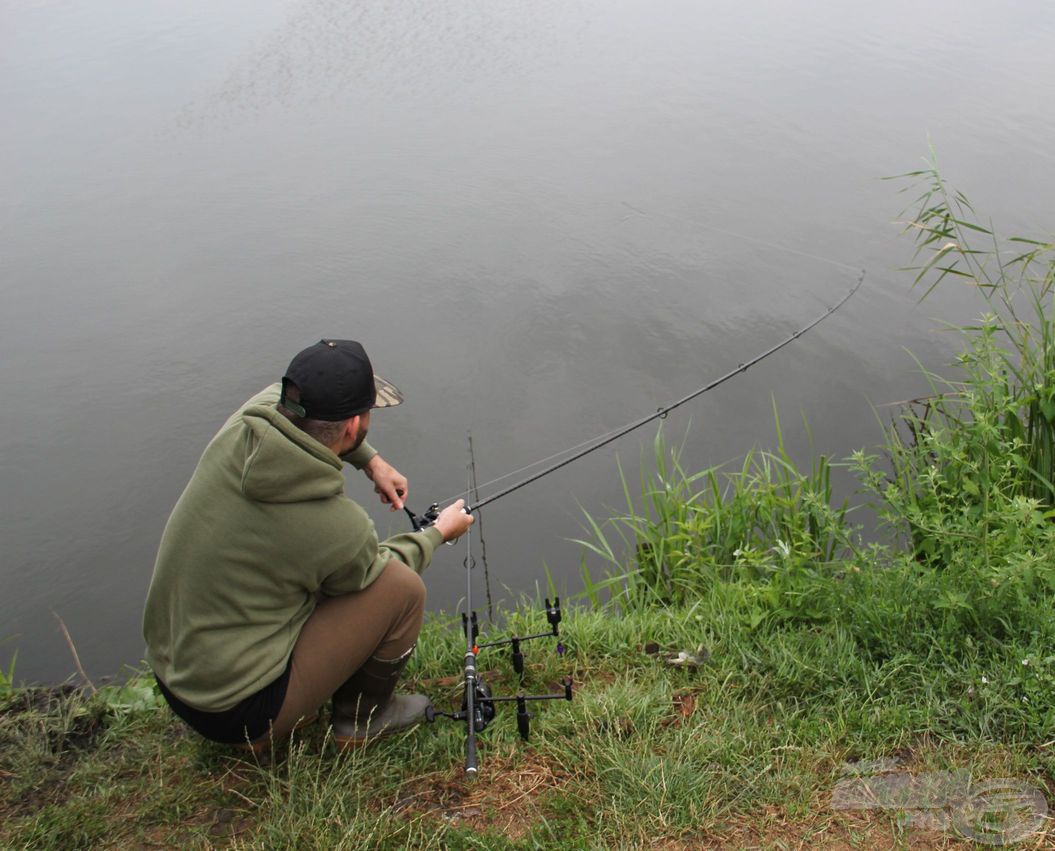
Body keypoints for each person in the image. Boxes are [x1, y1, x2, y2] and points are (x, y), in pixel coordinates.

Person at [142, 339, 473, 750]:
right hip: (235, 712)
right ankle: (360, 721)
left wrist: (371, 461)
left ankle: (291, 696)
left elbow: (300, 413)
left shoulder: (247, 424)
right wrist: (438, 532)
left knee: (317, 576)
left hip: (173, 672)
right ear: (352, 425)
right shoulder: (335, 526)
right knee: (402, 590)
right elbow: (378, 567)